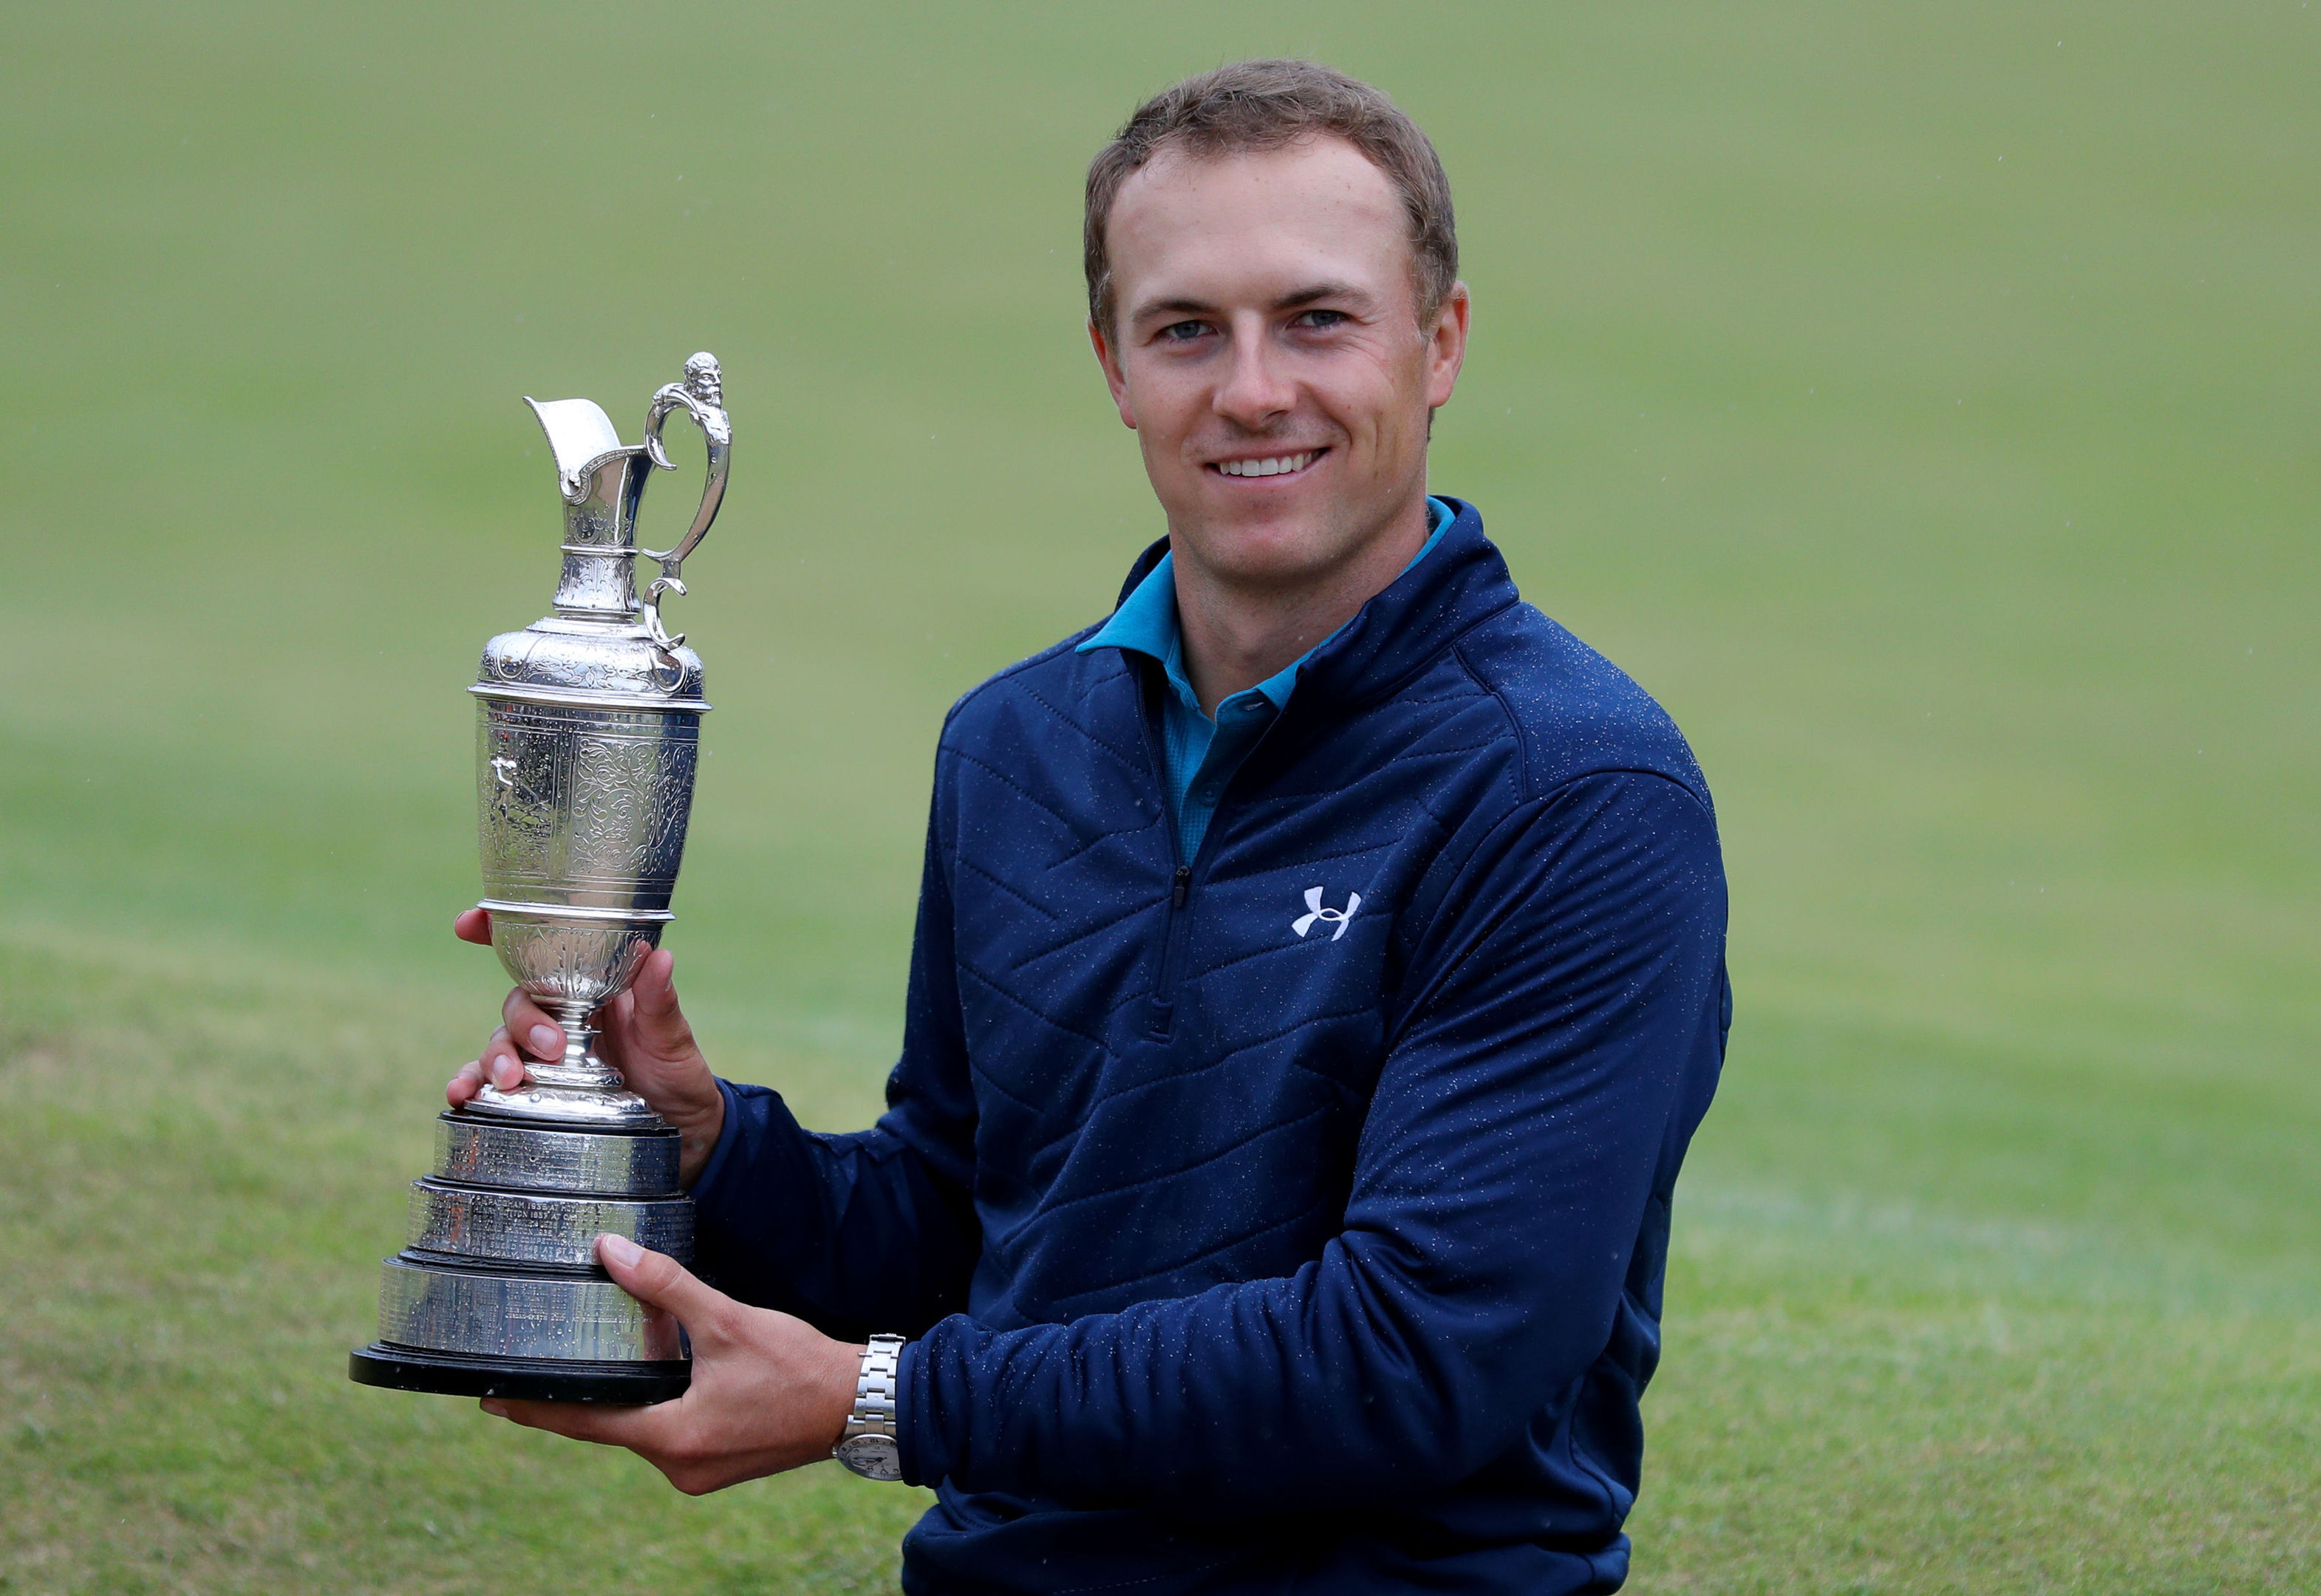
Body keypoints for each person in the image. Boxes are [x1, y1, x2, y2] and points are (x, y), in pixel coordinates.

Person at [449, 58, 1731, 1596]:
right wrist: (712, 1144)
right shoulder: (1014, 741)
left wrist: (881, 1403)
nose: (1251, 389)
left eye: (1316, 318)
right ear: (1113, 365)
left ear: (1437, 343)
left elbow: (1417, 1355)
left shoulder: (1575, 795)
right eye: (1185, 329)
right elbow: (968, 1231)